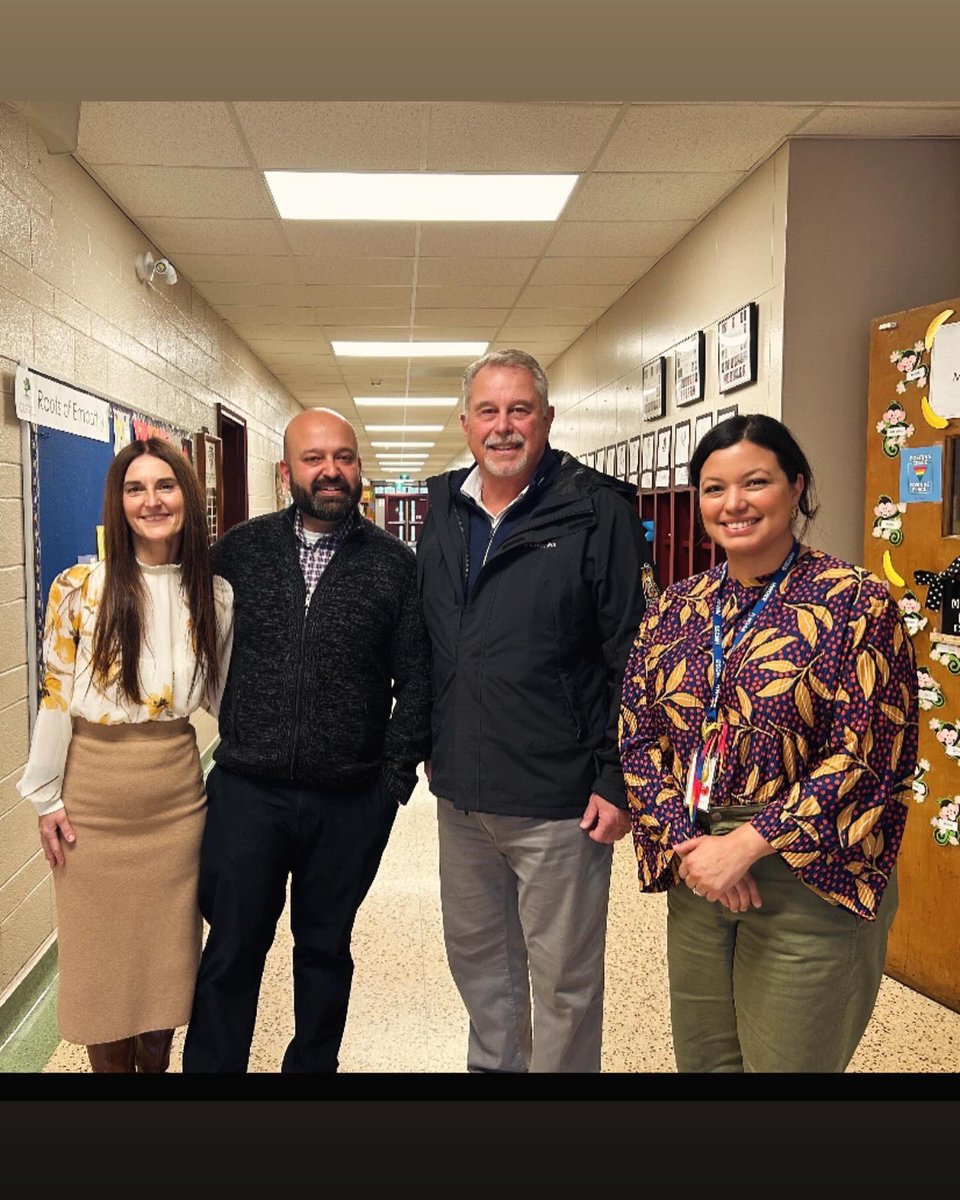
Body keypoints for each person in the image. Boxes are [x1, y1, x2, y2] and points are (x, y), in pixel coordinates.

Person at [619, 413, 918, 1073]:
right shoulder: (675, 609)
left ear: (795, 487)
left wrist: (746, 846)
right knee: (706, 1063)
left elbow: (867, 754)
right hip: (697, 870)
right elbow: (639, 739)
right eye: (713, 487)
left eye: (755, 482)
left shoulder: (855, 603)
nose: (734, 504)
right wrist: (696, 845)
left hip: (811, 873)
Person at [417, 348, 653, 1073]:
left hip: (561, 800)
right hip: (463, 795)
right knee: (482, 972)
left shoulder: (596, 509)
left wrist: (617, 779)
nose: (504, 426)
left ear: (547, 419)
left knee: (564, 986)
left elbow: (632, 655)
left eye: (520, 409)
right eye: (488, 411)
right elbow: (429, 641)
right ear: (465, 423)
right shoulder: (443, 509)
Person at [181, 407, 431, 1074]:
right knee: (232, 949)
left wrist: (391, 785)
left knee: (324, 952)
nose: (330, 470)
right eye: (314, 458)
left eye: (343, 457)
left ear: (358, 469)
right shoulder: (238, 550)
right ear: (287, 471)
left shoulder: (394, 566)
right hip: (247, 792)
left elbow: (420, 679)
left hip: (349, 801)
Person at [18, 437, 233, 1073]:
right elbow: (54, 695)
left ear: (187, 498)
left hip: (175, 804)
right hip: (94, 803)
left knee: (167, 978)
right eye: (134, 489)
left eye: (164, 486)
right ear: (118, 503)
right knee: (102, 980)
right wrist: (46, 797)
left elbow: (225, 701)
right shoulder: (79, 588)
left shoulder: (214, 595)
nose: (151, 501)